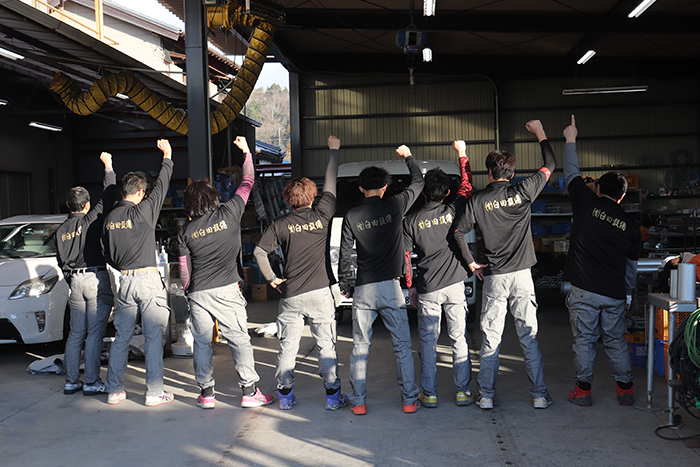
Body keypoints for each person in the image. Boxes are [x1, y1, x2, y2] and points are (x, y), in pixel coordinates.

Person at [453, 120, 555, 410]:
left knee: (491, 339)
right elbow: (550, 164)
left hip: (495, 277)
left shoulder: (477, 200)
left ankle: (486, 395)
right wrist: (540, 133)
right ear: (511, 173)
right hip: (522, 276)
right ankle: (539, 395)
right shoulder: (524, 190)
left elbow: (458, 232)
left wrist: (472, 263)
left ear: (489, 173)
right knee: (529, 338)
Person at [254, 135, 348, 411]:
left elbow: (259, 252)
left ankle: (285, 397)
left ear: (288, 199)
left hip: (292, 293)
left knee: (288, 347)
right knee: (326, 345)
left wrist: (272, 279)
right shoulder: (322, 214)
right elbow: (331, 181)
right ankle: (332, 398)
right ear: (312, 196)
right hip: (320, 292)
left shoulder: (280, 224)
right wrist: (333, 151)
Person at [178, 136, 273, 410]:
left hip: (198, 293)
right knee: (239, 339)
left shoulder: (185, 231)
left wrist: (188, 292)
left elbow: (184, 270)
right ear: (213, 198)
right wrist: (246, 154)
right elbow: (247, 181)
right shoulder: (230, 213)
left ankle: (207, 394)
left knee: (202, 343)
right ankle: (249, 391)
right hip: (227, 289)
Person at [338, 144, 424, 415]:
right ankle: (409, 401)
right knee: (402, 347)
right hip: (391, 287)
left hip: (364, 288)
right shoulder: (395, 205)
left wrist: (345, 284)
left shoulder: (351, 216)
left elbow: (345, 254)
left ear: (361, 189)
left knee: (360, 348)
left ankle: (359, 403)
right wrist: (408, 157)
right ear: (385, 188)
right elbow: (418, 182)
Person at [563, 115, 642, 407]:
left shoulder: (585, 202)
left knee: (584, 340)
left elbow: (571, 172)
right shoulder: (631, 227)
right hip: (614, 293)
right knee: (616, 340)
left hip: (584, 289)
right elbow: (631, 267)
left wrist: (571, 139)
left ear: (598, 189)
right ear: (622, 197)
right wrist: (628, 293)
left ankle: (583, 392)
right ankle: (625, 391)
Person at [403, 140, 485, 408]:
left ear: (423, 194)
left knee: (428, 342)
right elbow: (467, 185)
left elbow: (406, 258)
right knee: (459, 338)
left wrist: (410, 286)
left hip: (428, 288)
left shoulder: (411, 221)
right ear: (447, 192)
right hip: (455, 285)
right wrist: (462, 154)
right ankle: (463, 392)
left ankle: (430, 394)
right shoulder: (453, 210)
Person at [102, 139, 174, 407]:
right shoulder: (144, 211)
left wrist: (109, 168)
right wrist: (167, 157)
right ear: (141, 192)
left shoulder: (109, 219)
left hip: (125, 282)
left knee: (122, 337)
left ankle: (114, 390)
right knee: (153, 336)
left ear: (123, 192)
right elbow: (162, 185)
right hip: (147, 280)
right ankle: (154, 392)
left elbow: (106, 253)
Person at [57, 152, 116, 396]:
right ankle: (91, 382)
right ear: (87, 205)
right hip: (94, 279)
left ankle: (71, 381)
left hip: (75, 282)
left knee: (75, 334)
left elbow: (61, 261)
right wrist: (108, 167)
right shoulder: (92, 220)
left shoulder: (60, 230)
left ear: (68, 205)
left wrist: (72, 279)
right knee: (94, 334)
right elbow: (109, 194)